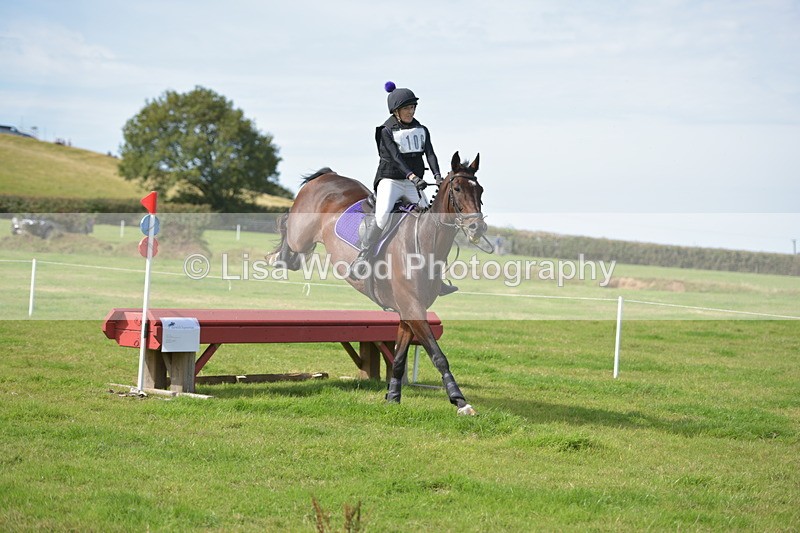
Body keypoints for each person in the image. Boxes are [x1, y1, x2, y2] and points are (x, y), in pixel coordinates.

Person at [352, 81, 457, 295]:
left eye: (413, 108)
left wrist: (437, 176)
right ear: (396, 111)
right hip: (390, 180)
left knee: (432, 219)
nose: (411, 111)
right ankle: (362, 257)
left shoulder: (421, 129)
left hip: (412, 183)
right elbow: (395, 157)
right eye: (407, 108)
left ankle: (437, 275)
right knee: (382, 217)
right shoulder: (386, 130)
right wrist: (411, 175)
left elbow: (430, 154)